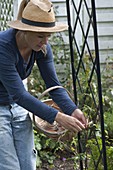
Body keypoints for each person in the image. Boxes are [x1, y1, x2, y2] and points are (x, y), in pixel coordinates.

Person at [0, 0, 88, 170]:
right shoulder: (3, 48)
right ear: (25, 30)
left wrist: (72, 110)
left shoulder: (41, 48)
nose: (45, 42)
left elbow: (53, 86)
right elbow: (20, 95)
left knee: (28, 163)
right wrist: (58, 116)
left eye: (48, 36)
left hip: (17, 106)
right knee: (8, 165)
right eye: (41, 36)